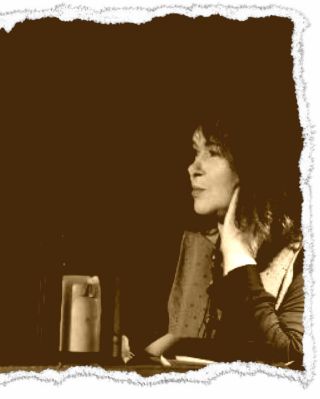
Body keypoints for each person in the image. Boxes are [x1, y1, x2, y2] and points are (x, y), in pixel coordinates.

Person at [127, 118, 304, 367]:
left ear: (250, 165)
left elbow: (295, 355)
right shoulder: (196, 246)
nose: (193, 168)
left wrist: (239, 258)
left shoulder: (303, 255)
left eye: (213, 152)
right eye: (196, 152)